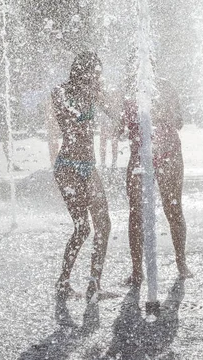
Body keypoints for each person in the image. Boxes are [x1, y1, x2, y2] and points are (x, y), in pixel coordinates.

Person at [51, 52, 111, 324]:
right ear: (82, 71)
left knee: (104, 225)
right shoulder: (60, 91)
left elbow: (117, 114)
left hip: (89, 165)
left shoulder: (94, 92)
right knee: (83, 227)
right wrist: (91, 96)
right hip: (68, 166)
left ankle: (93, 283)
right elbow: (71, 118)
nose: (98, 76)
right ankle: (63, 281)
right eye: (95, 72)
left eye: (99, 73)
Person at [122, 71, 191, 285]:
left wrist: (161, 112)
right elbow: (121, 128)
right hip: (140, 155)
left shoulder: (166, 86)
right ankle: (136, 270)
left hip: (169, 154)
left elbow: (179, 121)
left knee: (173, 207)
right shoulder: (128, 92)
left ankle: (181, 262)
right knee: (136, 212)